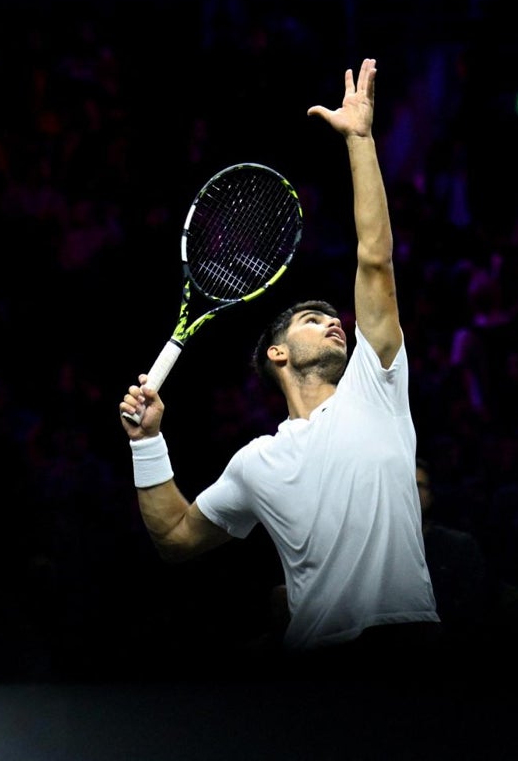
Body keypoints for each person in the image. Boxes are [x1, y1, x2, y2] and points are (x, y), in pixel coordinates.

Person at [119, 57, 440, 665]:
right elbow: (175, 538)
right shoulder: (255, 463)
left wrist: (361, 143)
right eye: (312, 318)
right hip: (314, 670)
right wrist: (147, 443)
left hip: (410, 649)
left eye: (334, 315)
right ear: (279, 354)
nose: (333, 321)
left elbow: (375, 259)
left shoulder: (377, 389)